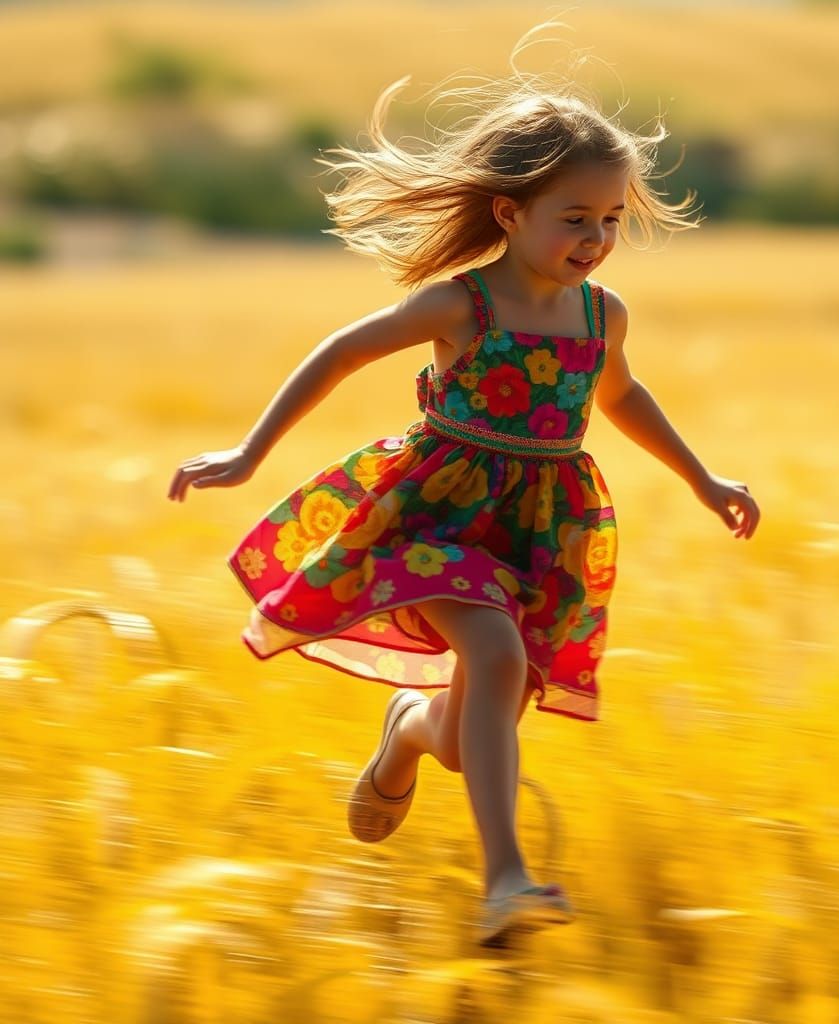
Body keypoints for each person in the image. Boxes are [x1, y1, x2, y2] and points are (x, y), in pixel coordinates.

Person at [167, 45, 760, 947]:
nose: (594, 239)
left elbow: (623, 396)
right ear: (509, 212)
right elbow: (341, 351)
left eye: (609, 218)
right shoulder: (463, 306)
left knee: (471, 720)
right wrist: (250, 451)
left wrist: (702, 477)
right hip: (436, 513)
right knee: (492, 651)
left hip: (541, 530)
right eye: (573, 218)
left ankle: (409, 730)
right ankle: (507, 880)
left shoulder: (604, 315)